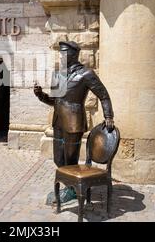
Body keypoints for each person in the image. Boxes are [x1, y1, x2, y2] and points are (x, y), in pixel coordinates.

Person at [34, 41, 115, 203]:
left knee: (70, 160)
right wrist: (40, 95)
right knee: (58, 159)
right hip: (58, 121)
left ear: (73, 55)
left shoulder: (86, 74)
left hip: (74, 122)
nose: (61, 56)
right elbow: (55, 101)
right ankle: (68, 186)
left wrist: (108, 116)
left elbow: (103, 95)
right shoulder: (57, 74)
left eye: (64, 53)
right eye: (60, 54)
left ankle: (71, 190)